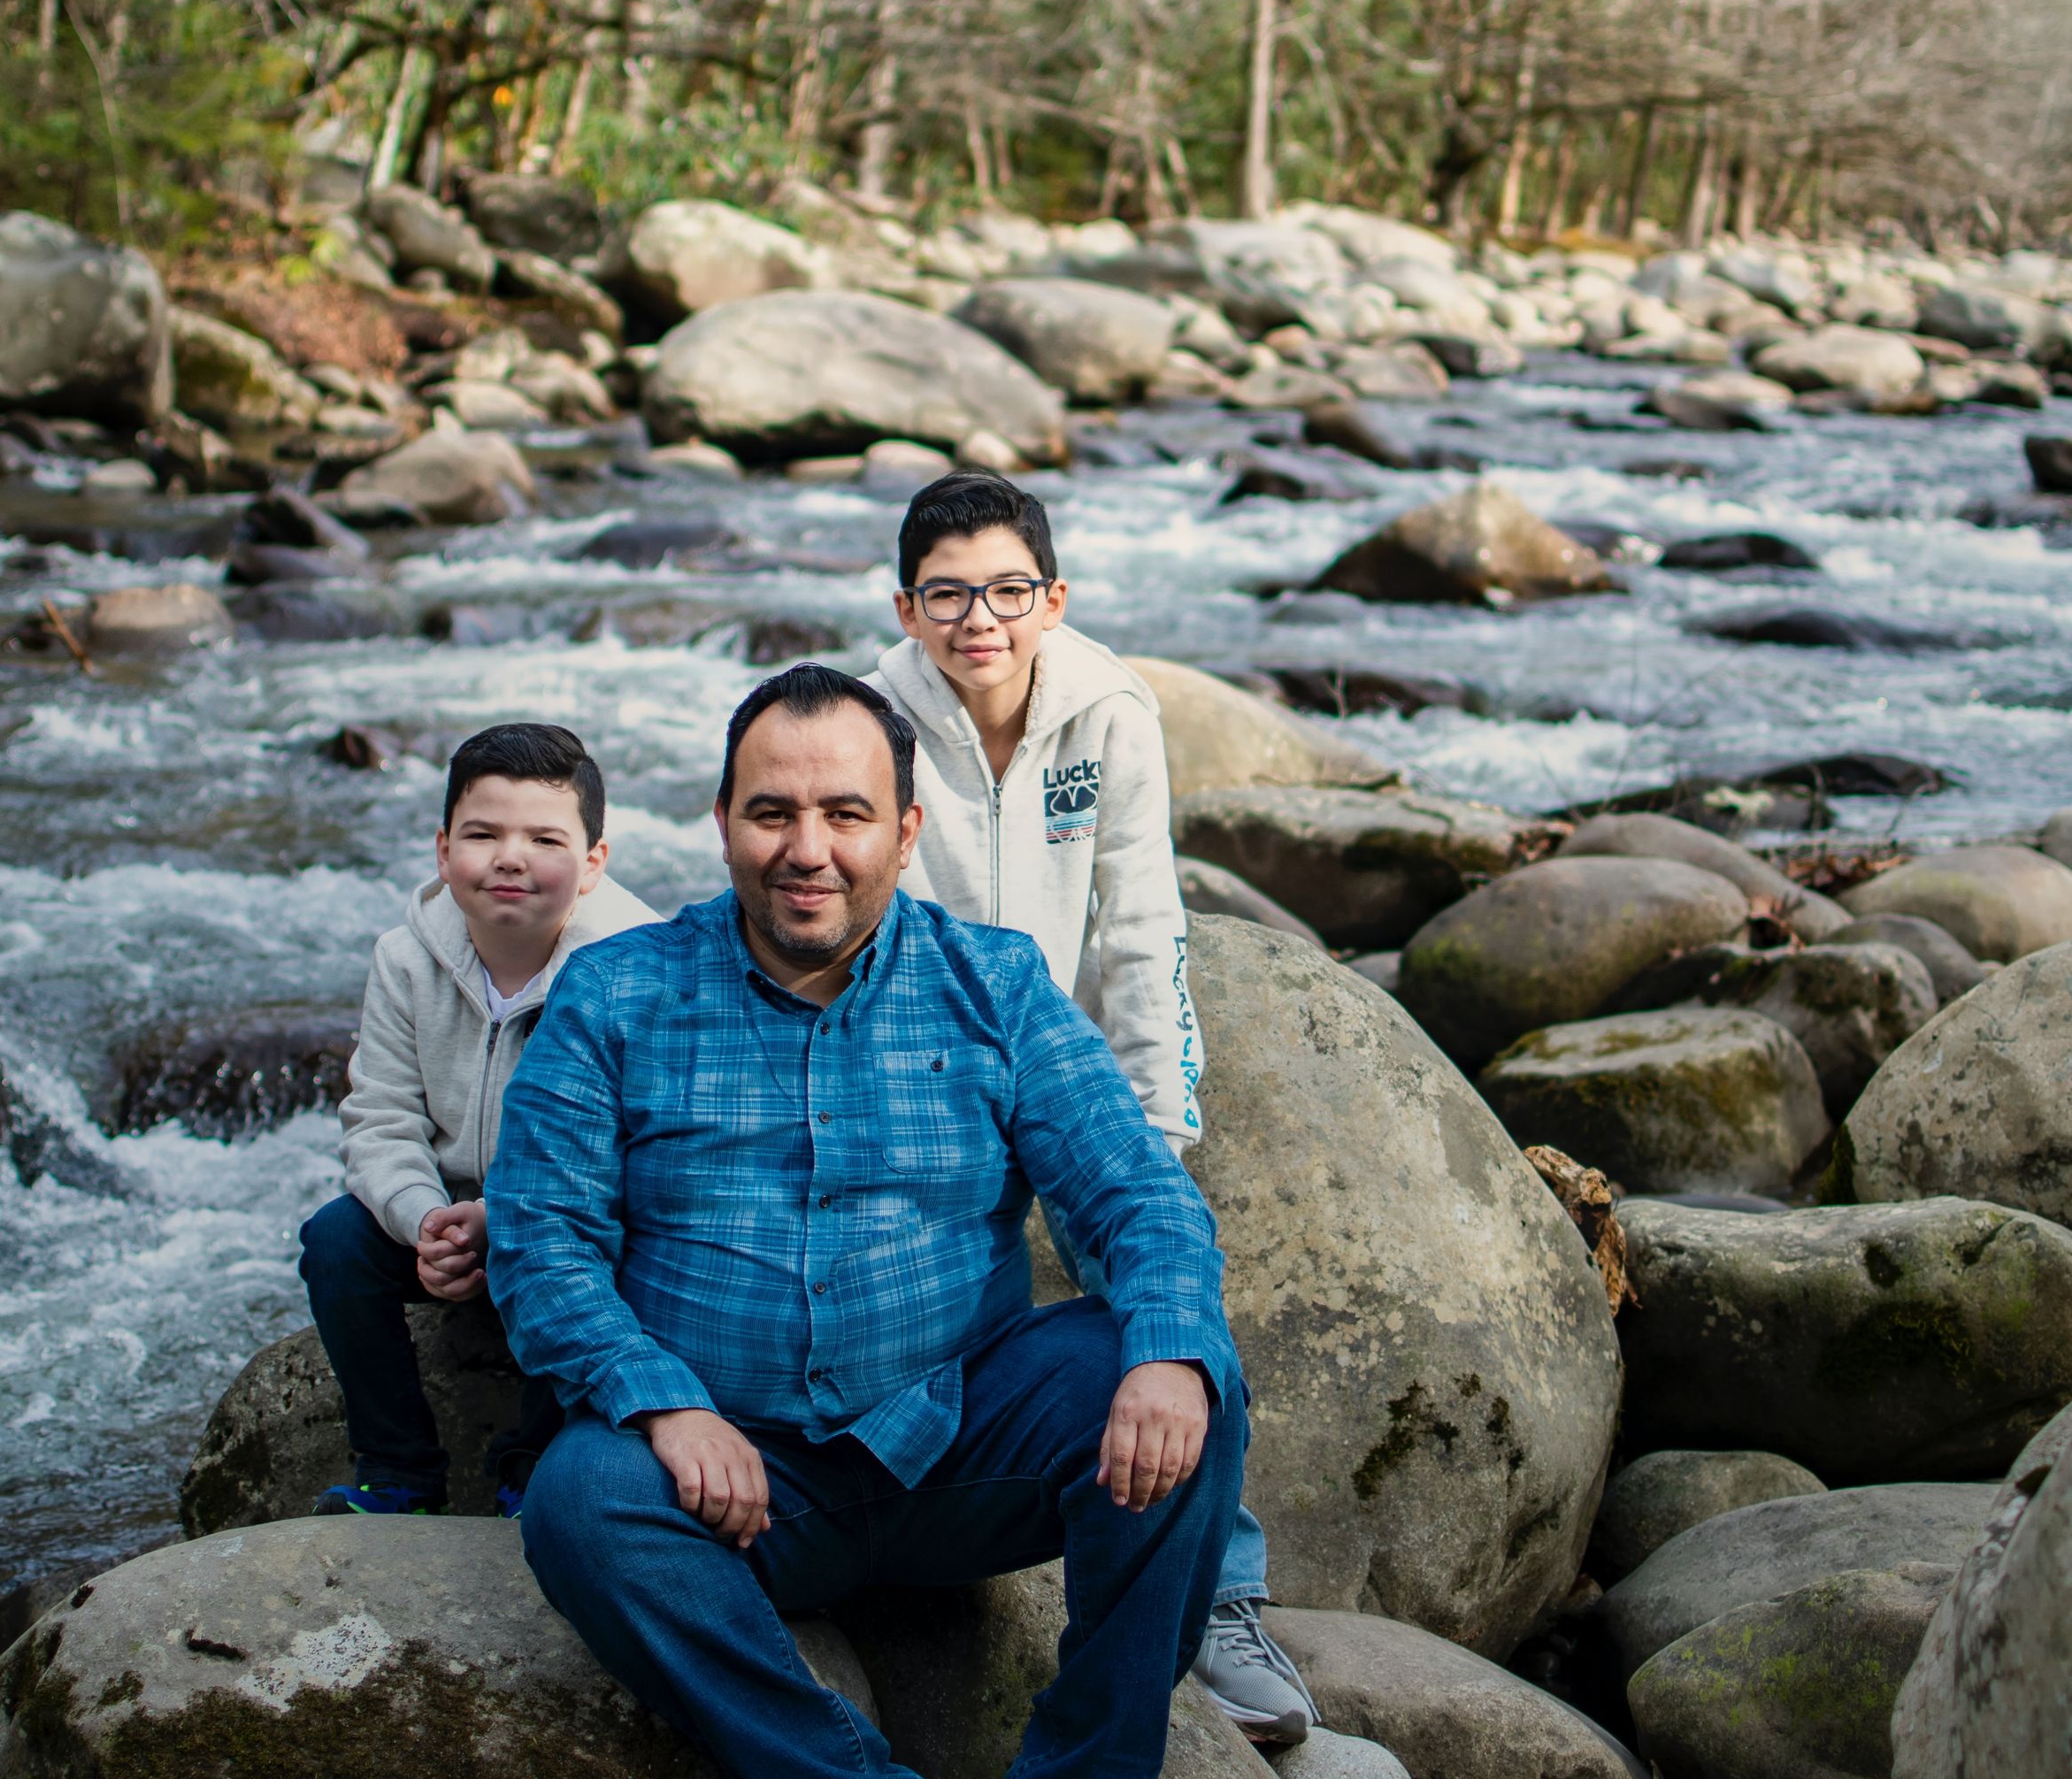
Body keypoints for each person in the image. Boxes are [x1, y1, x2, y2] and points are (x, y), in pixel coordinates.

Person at [486, 665, 1247, 1779]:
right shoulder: (613, 994)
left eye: (846, 814)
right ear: (722, 824)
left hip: (966, 1445)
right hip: (728, 1480)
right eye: (773, 813)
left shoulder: (993, 983)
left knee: (1187, 1379)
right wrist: (659, 1404)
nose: (809, 850)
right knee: (581, 1498)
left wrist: (1173, 1345)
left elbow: (1135, 1193)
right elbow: (540, 1243)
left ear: (905, 829)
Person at [868, 468, 1316, 1742]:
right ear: (907, 608)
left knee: (1164, 1289)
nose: (980, 622)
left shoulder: (1110, 710)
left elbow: (1142, 924)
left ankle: (1221, 1597)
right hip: (930, 1060)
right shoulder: (868, 714)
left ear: (1051, 598)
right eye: (948, 595)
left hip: (1064, 1053)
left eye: (1009, 591)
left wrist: (1157, 1123)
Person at [299, 721, 660, 1516]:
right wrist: (424, 1220)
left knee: (605, 1241)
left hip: (566, 1221)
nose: (510, 857)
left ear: (594, 863)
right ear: (442, 850)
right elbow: (380, 1116)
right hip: (445, 1219)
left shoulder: (633, 969)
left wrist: (505, 1217)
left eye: (544, 838)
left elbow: (632, 1150)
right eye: (482, 834)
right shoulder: (405, 958)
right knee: (333, 1240)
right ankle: (398, 1471)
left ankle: (530, 1468)